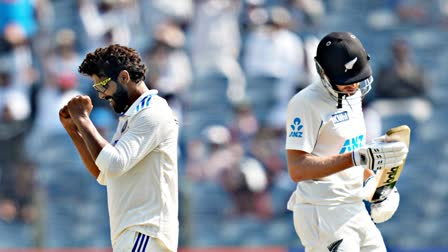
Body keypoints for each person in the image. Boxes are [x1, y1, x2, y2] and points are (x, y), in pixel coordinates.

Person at [285, 32, 409, 251]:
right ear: (322, 72)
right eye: (346, 81)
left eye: (357, 79)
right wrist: (357, 158)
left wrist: (377, 187)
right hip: (322, 210)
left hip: (354, 206)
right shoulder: (305, 103)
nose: (353, 86)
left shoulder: (352, 95)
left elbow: (347, 150)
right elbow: (298, 169)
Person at [58, 44, 179, 252]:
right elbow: (103, 173)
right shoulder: (133, 116)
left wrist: (84, 120)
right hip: (136, 235)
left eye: (102, 85)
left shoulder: (151, 112)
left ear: (124, 77)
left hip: (144, 233)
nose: (102, 95)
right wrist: (74, 130)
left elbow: (113, 164)